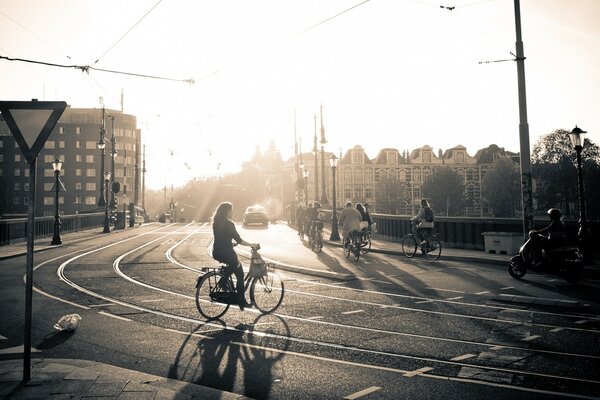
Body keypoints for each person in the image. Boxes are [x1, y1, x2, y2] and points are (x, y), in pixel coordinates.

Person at [211, 202, 259, 310]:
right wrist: (251, 244)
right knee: (240, 274)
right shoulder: (229, 224)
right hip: (227, 253)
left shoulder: (216, 222)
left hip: (217, 251)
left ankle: (224, 278)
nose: (232, 212)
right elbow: (239, 240)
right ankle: (241, 301)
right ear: (227, 211)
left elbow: (221, 238)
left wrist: (230, 243)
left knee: (234, 268)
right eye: (231, 210)